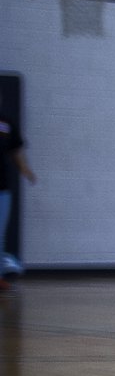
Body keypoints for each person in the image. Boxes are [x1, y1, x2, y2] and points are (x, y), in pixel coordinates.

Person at [0, 106, 32, 280]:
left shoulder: (5, 123)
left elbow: (16, 150)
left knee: (0, 234)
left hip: (2, 189)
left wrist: (25, 168)